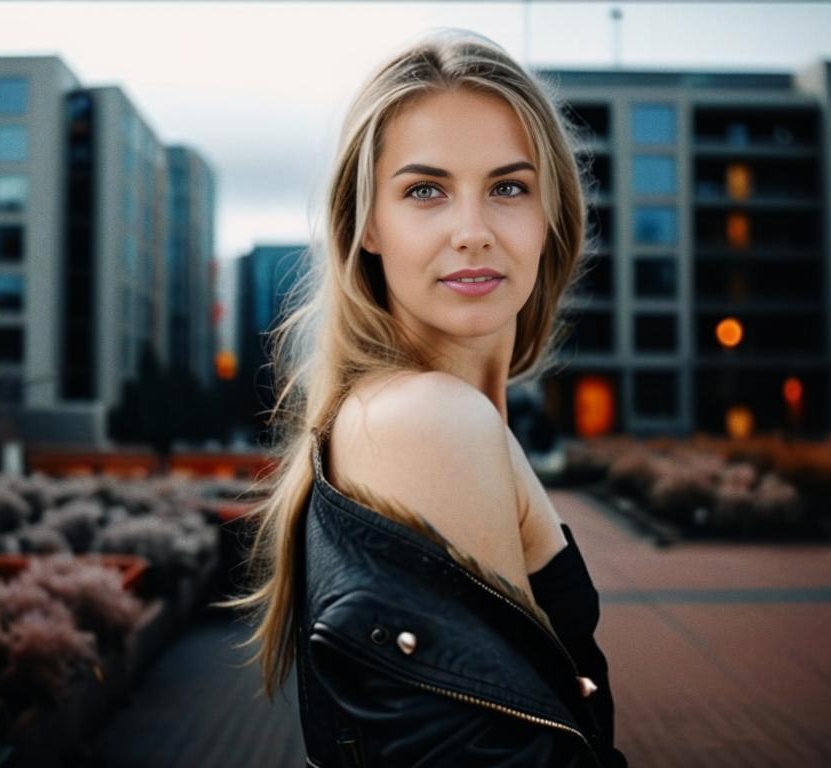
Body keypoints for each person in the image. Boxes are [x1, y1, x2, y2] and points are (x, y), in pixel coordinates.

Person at [215, 28, 628, 767]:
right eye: (425, 191)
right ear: (367, 224)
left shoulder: (429, 412)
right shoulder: (429, 420)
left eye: (508, 187)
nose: (472, 232)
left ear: (549, 216)